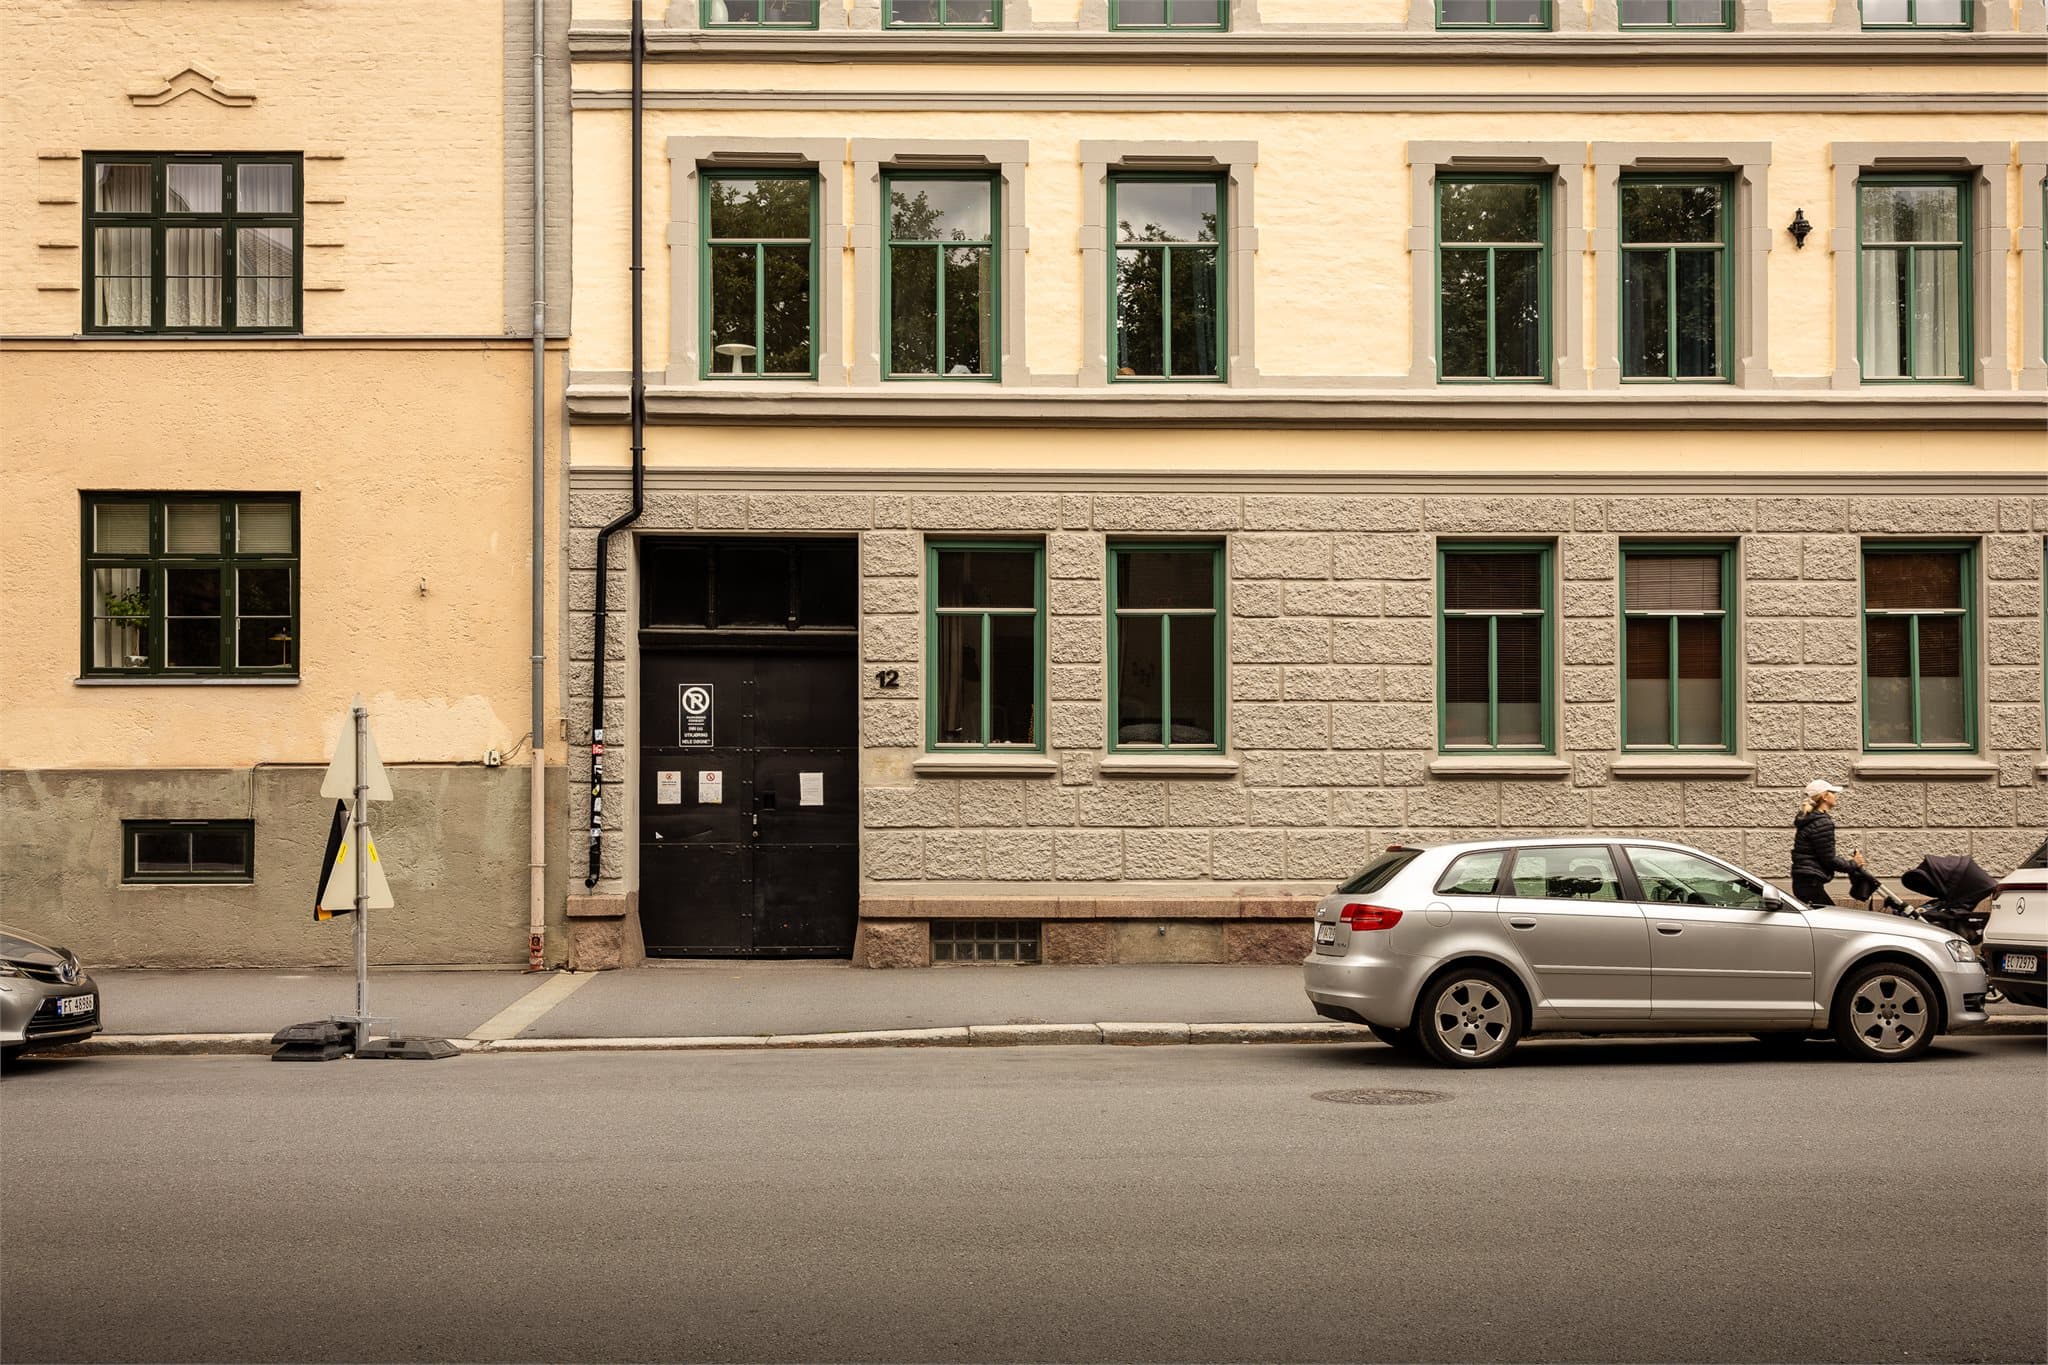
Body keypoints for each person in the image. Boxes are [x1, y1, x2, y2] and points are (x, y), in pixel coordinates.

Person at [1791, 778, 1864, 909]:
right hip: (1810, 883)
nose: (1835, 796)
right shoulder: (1822, 822)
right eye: (1832, 793)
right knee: (1832, 919)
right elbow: (1828, 859)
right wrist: (1853, 864)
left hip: (1804, 882)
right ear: (1824, 796)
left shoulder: (1809, 819)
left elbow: (1821, 853)